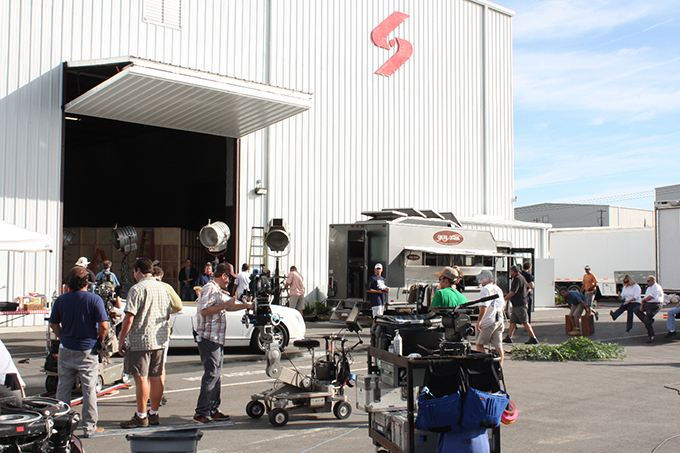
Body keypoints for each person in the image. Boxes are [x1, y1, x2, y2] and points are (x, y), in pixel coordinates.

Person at [49, 266, 109, 438]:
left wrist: (62, 336)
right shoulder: (94, 299)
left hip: (66, 348)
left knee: (63, 388)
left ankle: (61, 426)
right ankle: (89, 426)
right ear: (86, 282)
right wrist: (100, 339)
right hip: (87, 349)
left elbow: (53, 324)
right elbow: (104, 325)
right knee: (89, 389)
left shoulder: (61, 300)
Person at [194, 263, 253, 423]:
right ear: (223, 275)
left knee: (216, 375)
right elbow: (204, 311)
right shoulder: (209, 289)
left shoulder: (217, 290)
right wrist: (224, 305)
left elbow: (228, 307)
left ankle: (213, 409)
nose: (230, 282)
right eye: (229, 278)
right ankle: (201, 412)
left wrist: (246, 305)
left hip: (216, 339)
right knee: (212, 374)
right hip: (209, 338)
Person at [118, 258, 172, 428]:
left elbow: (129, 317)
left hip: (140, 339)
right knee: (156, 376)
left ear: (139, 271)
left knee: (141, 378)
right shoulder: (163, 288)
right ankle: (154, 413)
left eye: (134, 272)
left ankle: (141, 415)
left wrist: (121, 339)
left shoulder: (137, 289)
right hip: (159, 339)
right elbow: (168, 314)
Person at [152, 265, 183, 406]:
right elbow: (178, 305)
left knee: (146, 366)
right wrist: (167, 312)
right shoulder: (166, 287)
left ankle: (147, 393)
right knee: (160, 365)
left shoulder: (142, 286)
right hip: (161, 329)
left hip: (145, 330)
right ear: (161, 275)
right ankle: (159, 394)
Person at [475, 270, 505, 366]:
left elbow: (484, 306)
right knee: (498, 346)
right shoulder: (498, 289)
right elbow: (503, 305)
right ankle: (500, 368)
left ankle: (485, 367)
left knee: (479, 343)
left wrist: (479, 321)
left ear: (487, 278)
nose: (480, 281)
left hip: (489, 319)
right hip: (499, 318)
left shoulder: (485, 289)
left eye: (481, 279)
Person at [503, 266, 538, 344]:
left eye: (510, 271)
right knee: (513, 321)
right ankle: (509, 337)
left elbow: (513, 292)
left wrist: (504, 298)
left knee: (524, 321)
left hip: (520, 304)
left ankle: (533, 338)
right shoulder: (522, 277)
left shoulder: (517, 279)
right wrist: (524, 295)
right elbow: (529, 287)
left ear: (513, 272)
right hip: (517, 303)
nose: (510, 273)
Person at [635, 275, 664, 343]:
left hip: (655, 305)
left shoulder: (656, 287)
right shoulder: (649, 288)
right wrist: (642, 305)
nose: (647, 282)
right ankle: (648, 321)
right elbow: (645, 298)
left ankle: (651, 336)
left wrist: (643, 300)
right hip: (648, 304)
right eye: (647, 281)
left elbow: (651, 297)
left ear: (653, 281)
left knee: (647, 320)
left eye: (648, 281)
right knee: (636, 309)